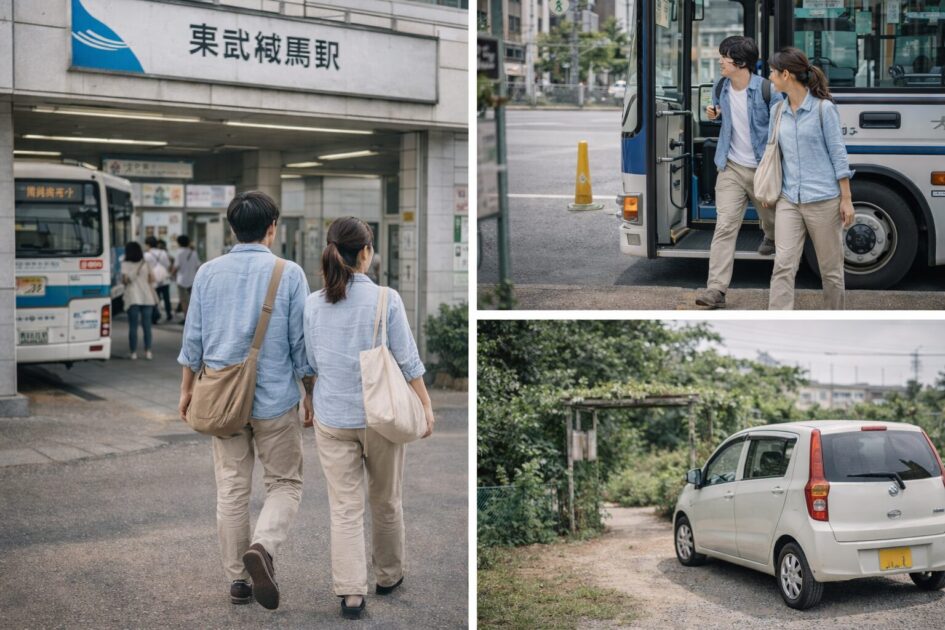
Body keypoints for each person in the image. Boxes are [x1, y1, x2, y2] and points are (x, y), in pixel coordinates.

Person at [177, 191, 315, 610]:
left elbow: (193, 340)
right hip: (275, 399)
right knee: (285, 483)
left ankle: (238, 581)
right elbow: (299, 345)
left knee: (232, 491)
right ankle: (264, 546)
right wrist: (310, 394)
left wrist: (186, 390)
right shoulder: (288, 273)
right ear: (272, 228)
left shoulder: (207, 272)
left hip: (222, 401)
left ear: (232, 228)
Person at [303, 217, 435, 621]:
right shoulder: (386, 298)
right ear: (365, 252)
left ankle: (351, 593)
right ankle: (389, 574)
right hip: (383, 417)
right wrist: (426, 406)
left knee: (344, 507)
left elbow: (309, 362)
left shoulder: (312, 303)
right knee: (386, 499)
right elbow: (407, 359)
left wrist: (309, 399)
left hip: (333, 415)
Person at [696, 36, 784, 309]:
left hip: (762, 169)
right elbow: (723, 116)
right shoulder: (720, 86)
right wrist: (714, 114)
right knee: (724, 227)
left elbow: (782, 130)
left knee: (774, 222)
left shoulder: (768, 90)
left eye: (724, 56)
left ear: (741, 62)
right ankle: (716, 290)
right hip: (731, 166)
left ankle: (769, 234)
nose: (720, 60)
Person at [766, 47, 854, 310]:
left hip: (824, 200)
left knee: (831, 271)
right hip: (789, 199)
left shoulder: (823, 109)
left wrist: (846, 199)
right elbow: (774, 154)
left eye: (772, 72)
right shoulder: (777, 111)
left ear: (785, 74)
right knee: (782, 266)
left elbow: (839, 154)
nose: (769, 77)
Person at [120, 241, 156, 360]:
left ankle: (133, 353)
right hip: (147, 297)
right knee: (147, 326)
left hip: (133, 297)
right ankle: (148, 352)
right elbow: (152, 279)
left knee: (133, 326)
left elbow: (125, 281)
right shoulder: (145, 263)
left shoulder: (125, 263)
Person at [173, 234, 201, 322]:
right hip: (192, 280)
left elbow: (176, 266)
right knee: (192, 301)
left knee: (184, 301)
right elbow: (198, 266)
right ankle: (194, 318)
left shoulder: (179, 253)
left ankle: (186, 319)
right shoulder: (194, 252)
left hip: (181, 281)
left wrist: (171, 274)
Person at [144, 236, 172, 323]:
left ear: (148, 244)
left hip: (153, 279)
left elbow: (145, 268)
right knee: (166, 297)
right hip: (164, 278)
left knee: (155, 298)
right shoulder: (163, 252)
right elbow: (167, 265)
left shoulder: (146, 255)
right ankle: (169, 314)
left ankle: (155, 316)